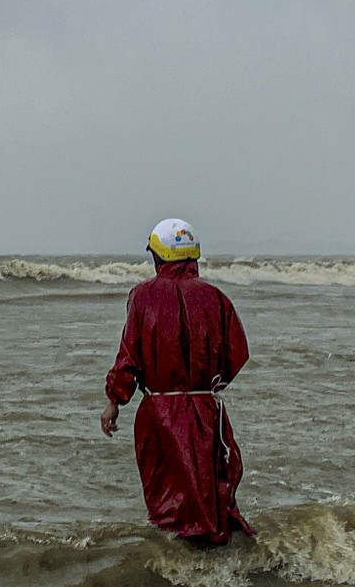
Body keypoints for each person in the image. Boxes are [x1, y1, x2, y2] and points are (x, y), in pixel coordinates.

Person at [102, 218, 252, 545]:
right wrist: (207, 386)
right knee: (211, 490)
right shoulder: (216, 298)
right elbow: (237, 353)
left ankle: (178, 571)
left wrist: (115, 401)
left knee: (167, 501)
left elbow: (130, 355)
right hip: (206, 410)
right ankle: (218, 559)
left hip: (159, 413)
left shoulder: (142, 296)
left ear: (158, 257)